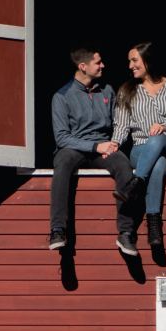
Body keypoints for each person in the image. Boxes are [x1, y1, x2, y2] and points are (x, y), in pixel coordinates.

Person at [49, 46, 145, 256]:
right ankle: (58, 230)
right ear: (83, 67)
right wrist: (94, 146)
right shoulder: (62, 96)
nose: (103, 65)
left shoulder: (107, 91)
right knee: (62, 161)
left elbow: (118, 123)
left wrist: (112, 143)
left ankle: (126, 233)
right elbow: (62, 137)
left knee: (122, 163)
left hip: (102, 147)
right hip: (75, 148)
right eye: (98, 62)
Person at [112, 41, 166, 249]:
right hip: (141, 150)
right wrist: (113, 144)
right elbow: (121, 127)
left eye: (134, 60)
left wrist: (163, 126)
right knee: (158, 163)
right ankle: (154, 225)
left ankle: (136, 183)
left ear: (148, 60)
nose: (130, 65)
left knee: (157, 138)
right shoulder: (127, 91)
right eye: (129, 61)